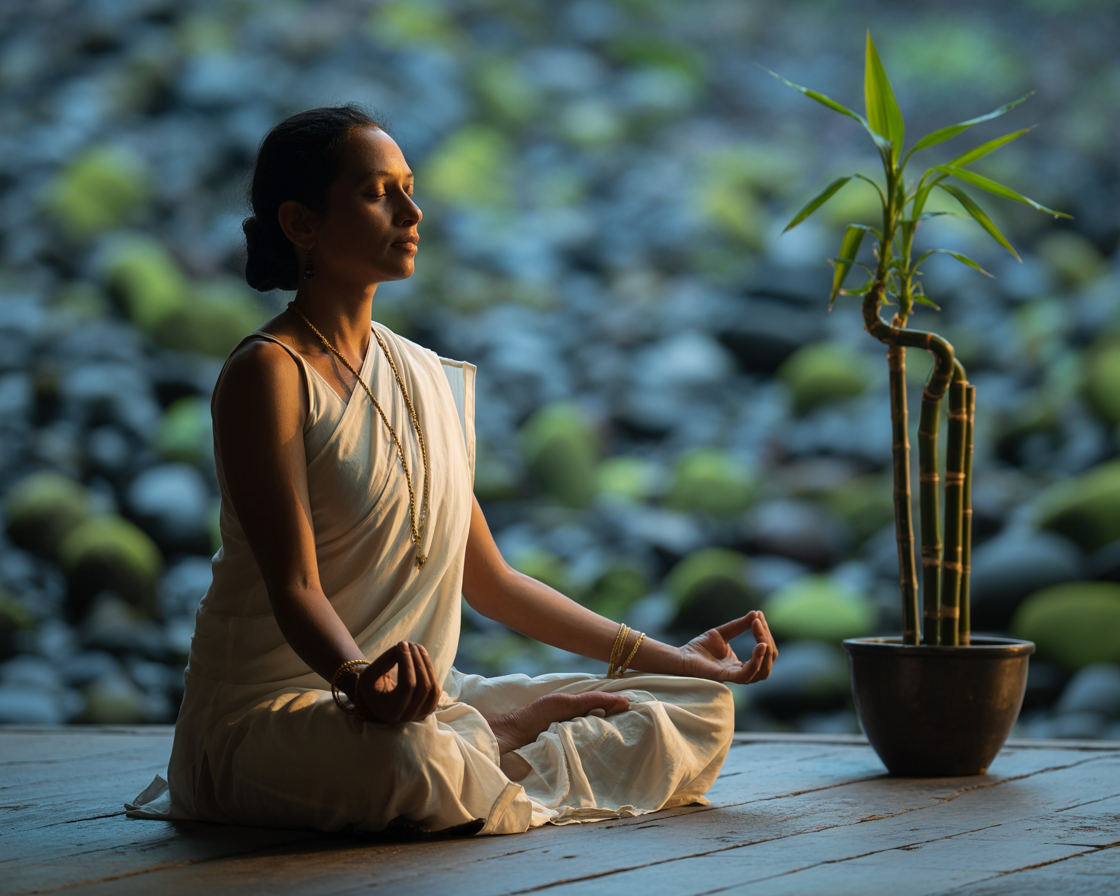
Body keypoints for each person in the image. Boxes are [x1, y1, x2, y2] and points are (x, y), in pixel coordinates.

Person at [127, 105, 778, 836]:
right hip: (283, 712)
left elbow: (493, 582)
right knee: (407, 759)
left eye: (409, 187)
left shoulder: (425, 374)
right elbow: (295, 586)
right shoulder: (268, 374)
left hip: (422, 702)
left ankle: (487, 752)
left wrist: (675, 659)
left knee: (691, 704)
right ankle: (498, 744)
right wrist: (360, 686)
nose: (413, 211)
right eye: (379, 193)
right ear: (301, 224)